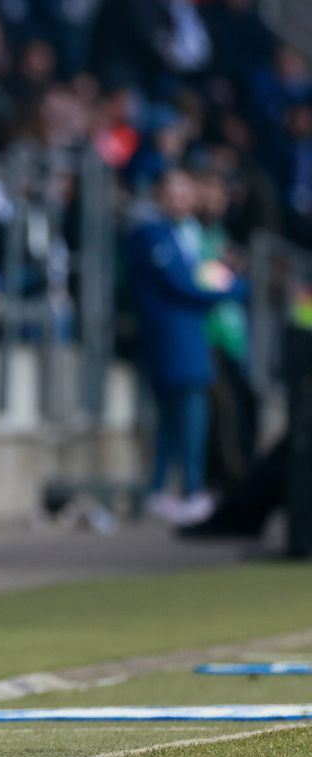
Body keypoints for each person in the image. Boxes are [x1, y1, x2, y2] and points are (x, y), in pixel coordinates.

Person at [128, 169, 247, 525]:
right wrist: (233, 289)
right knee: (185, 416)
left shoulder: (189, 236)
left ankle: (165, 490)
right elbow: (183, 285)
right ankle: (186, 491)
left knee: (177, 418)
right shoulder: (152, 235)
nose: (181, 200)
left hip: (189, 337)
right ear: (159, 196)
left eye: (186, 194)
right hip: (172, 339)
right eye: (173, 193)